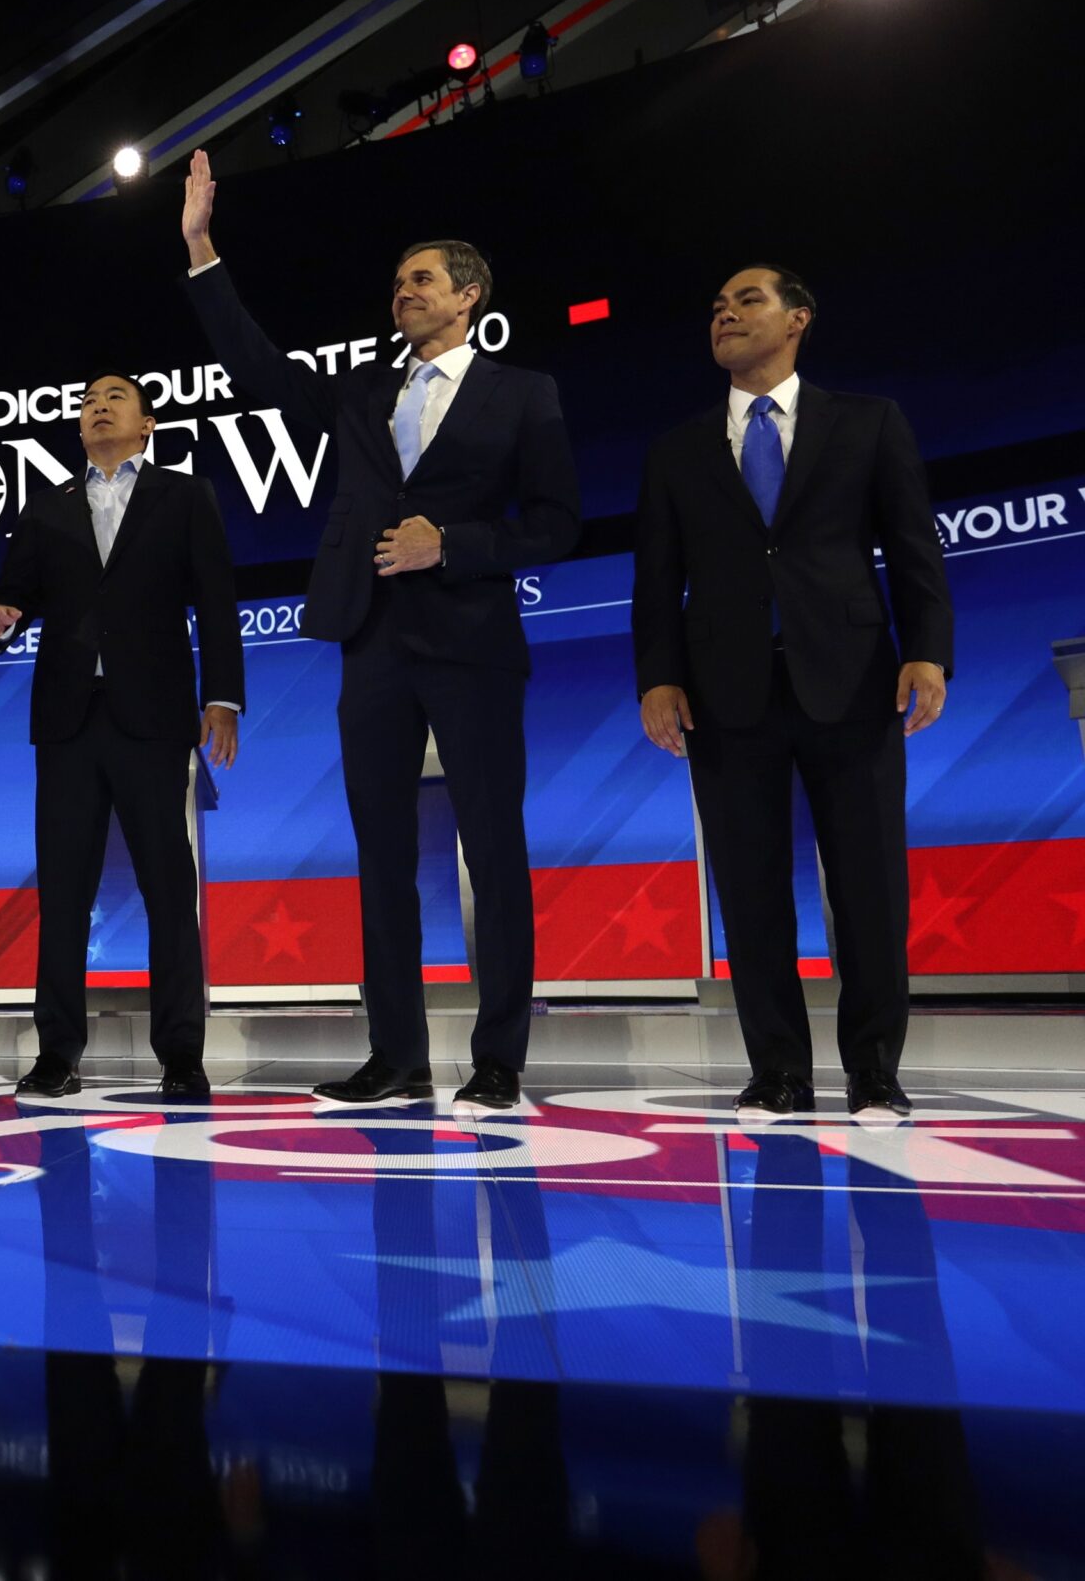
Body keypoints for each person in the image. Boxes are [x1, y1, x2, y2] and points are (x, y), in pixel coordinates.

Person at [179, 147, 579, 1113]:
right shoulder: (362, 392)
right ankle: (397, 1053)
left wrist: (455, 542)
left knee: (493, 846)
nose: (402, 291)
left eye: (422, 279)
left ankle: (499, 1057)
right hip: (374, 643)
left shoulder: (523, 392)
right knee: (382, 856)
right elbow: (257, 366)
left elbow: (558, 523)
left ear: (469, 295)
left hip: (473, 638)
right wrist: (201, 250)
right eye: (398, 280)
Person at [632, 266, 951, 1120]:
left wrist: (929, 653)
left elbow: (915, 550)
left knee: (870, 884)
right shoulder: (677, 450)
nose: (725, 315)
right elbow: (657, 581)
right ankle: (778, 1070)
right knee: (750, 887)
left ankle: (876, 1071)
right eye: (716, 307)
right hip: (725, 694)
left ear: (799, 318)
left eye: (746, 301)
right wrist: (657, 676)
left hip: (853, 683)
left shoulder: (869, 422)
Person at [0, 375, 244, 1101]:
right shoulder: (47, 505)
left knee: (167, 884)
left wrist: (222, 696)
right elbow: (17, 589)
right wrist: (4, 610)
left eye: (116, 397)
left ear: (147, 424)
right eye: (89, 399)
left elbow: (216, 599)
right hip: (67, 720)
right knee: (63, 890)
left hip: (153, 715)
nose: (98, 406)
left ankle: (182, 1053)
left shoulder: (184, 495)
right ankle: (57, 1052)